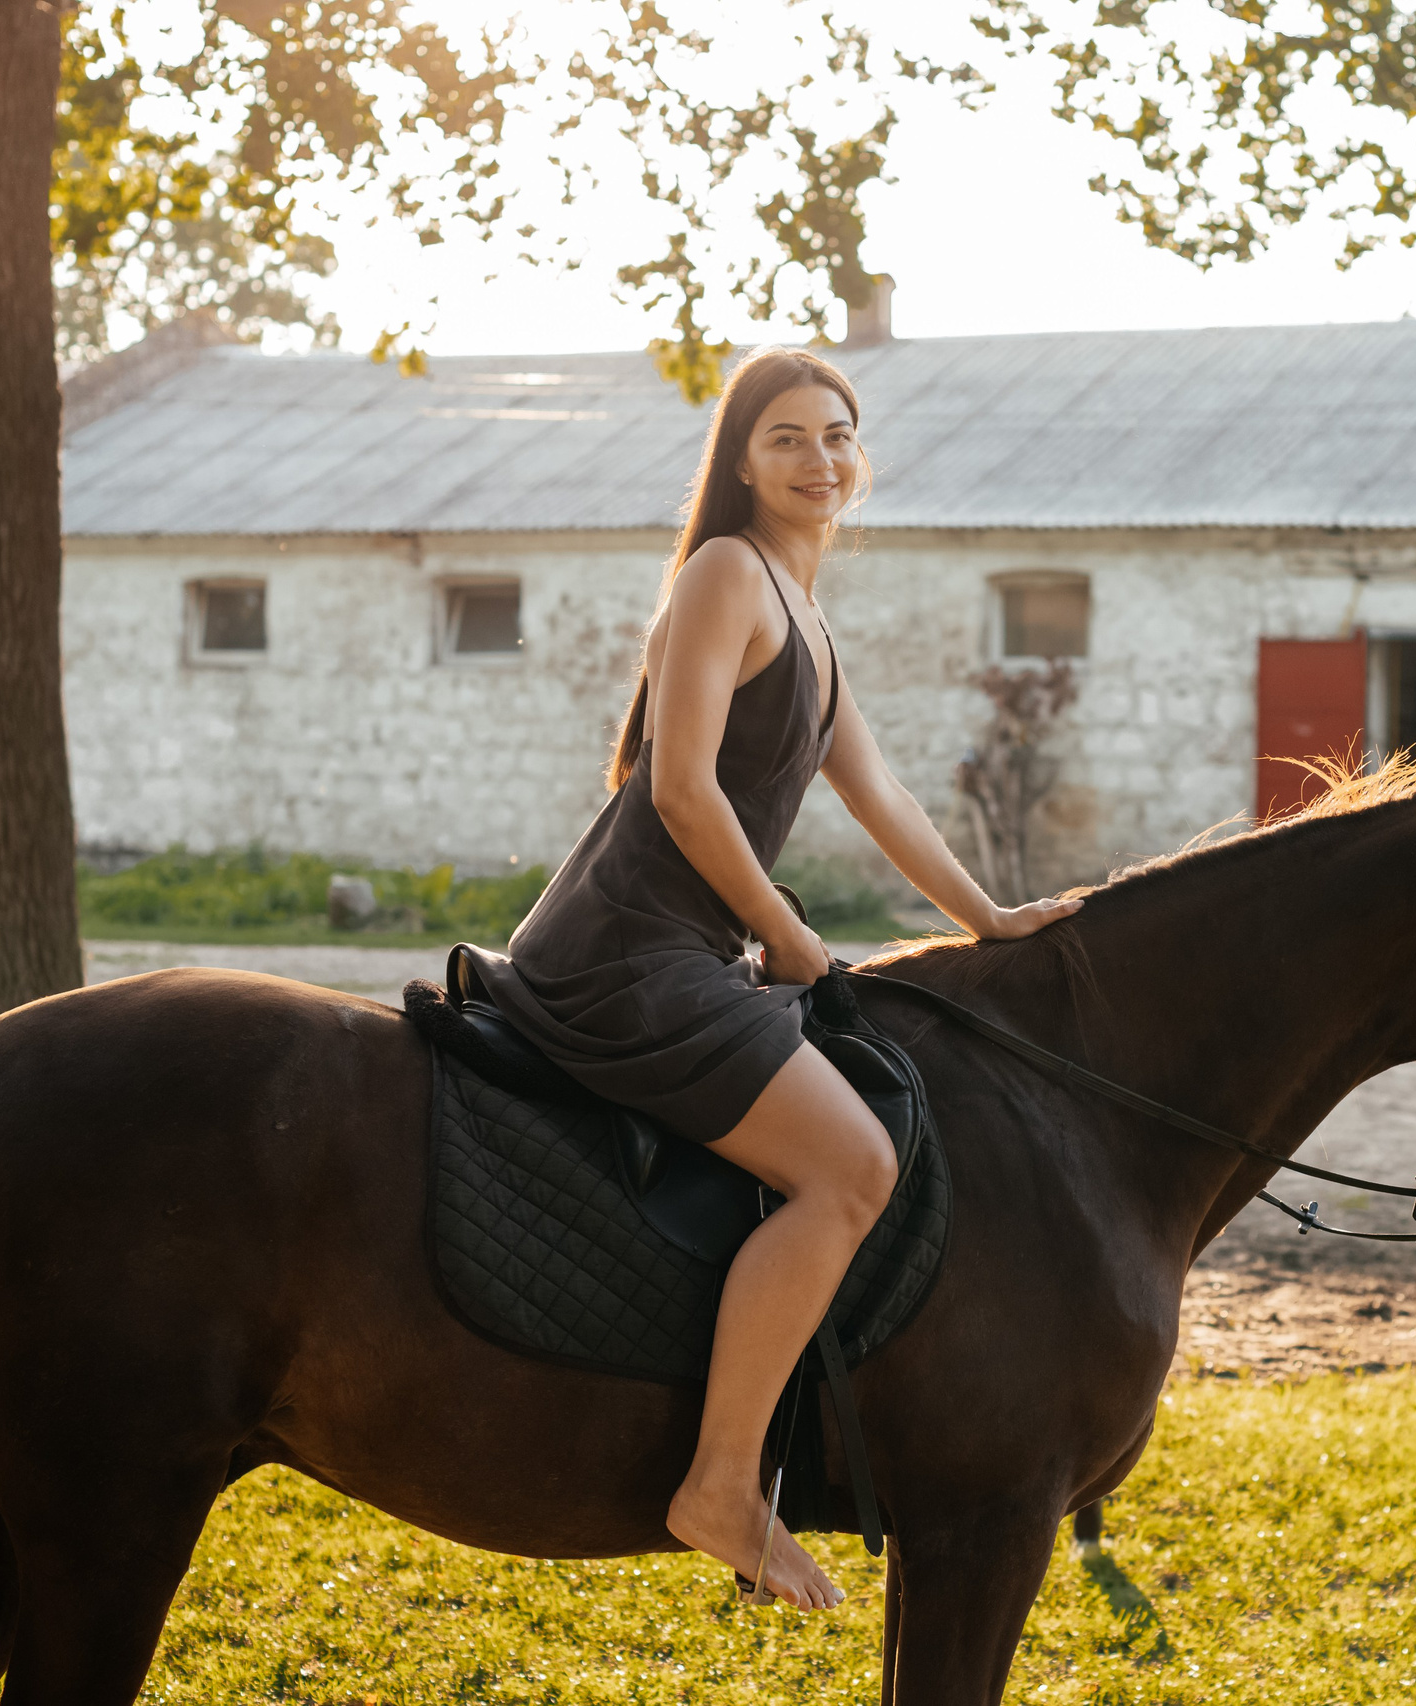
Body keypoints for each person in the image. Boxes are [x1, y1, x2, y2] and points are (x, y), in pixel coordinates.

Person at [482, 348, 1081, 1609]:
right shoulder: (723, 575)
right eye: (789, 439)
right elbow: (679, 787)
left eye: (839, 436)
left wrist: (991, 915)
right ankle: (716, 1482)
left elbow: (880, 792)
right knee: (852, 1164)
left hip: (688, 952)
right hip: (621, 954)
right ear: (741, 462)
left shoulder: (805, 611)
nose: (821, 461)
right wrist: (785, 929)